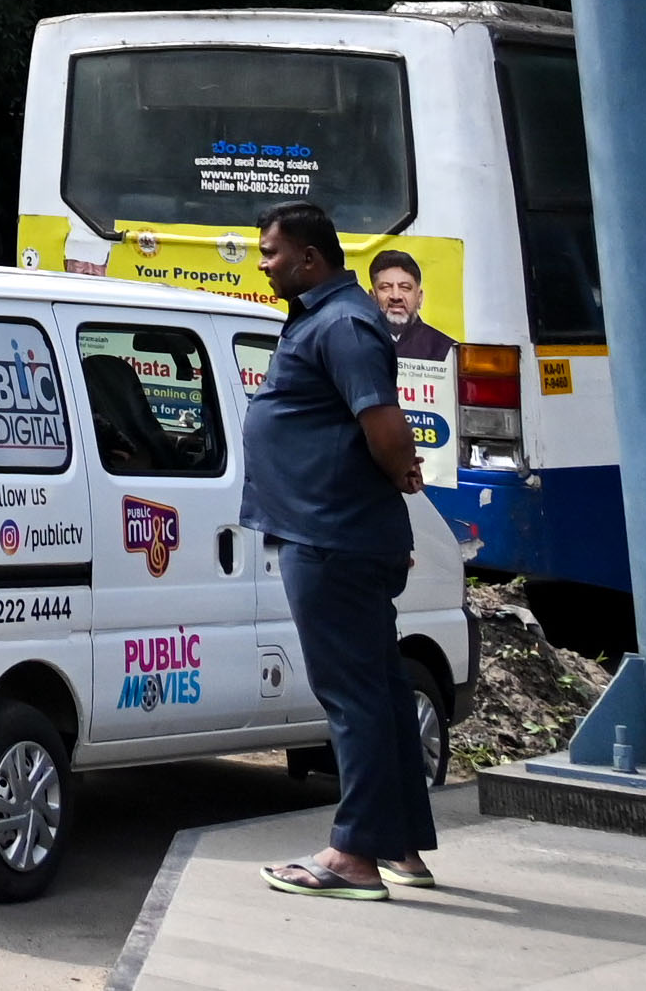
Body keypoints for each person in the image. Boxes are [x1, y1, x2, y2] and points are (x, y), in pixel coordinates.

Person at [245, 197, 436, 902]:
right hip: (333, 532)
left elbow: (382, 424)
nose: (263, 265)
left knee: (351, 698)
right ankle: (398, 846)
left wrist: (398, 473)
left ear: (307, 257)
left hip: (332, 537)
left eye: (270, 253)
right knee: (379, 693)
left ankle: (352, 857)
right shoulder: (326, 318)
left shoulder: (344, 324)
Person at [367, 249, 453, 363]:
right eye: (386, 287)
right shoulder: (356, 343)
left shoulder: (445, 349)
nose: (396, 296)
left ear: (419, 297)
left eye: (405, 287)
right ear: (372, 297)